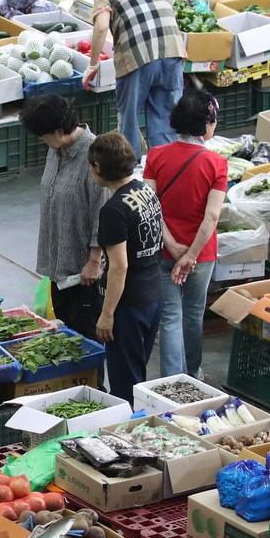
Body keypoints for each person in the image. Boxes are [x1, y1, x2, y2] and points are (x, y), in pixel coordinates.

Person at [143, 88, 227, 378]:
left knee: (170, 316)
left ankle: (171, 380)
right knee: (193, 315)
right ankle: (193, 376)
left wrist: (172, 245)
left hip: (163, 251)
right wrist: (190, 255)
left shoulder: (156, 156)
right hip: (201, 255)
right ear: (206, 124)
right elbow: (212, 216)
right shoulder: (216, 163)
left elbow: (151, 207)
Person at [85, 0, 185, 161]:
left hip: (137, 57)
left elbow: (101, 26)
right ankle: (165, 168)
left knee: (129, 119)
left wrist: (93, 64)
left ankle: (132, 173)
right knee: (166, 117)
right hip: (173, 52)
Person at [22, 94, 109, 340]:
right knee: (65, 333)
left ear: (59, 130)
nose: (41, 140)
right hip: (58, 267)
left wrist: (94, 261)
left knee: (85, 338)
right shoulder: (56, 150)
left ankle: (92, 380)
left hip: (83, 274)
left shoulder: (94, 155)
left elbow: (101, 212)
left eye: (43, 134)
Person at [91, 132, 164, 406]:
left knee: (125, 386)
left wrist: (107, 314)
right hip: (152, 294)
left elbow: (119, 266)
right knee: (138, 372)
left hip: (128, 305)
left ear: (98, 168)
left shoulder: (113, 210)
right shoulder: (145, 190)